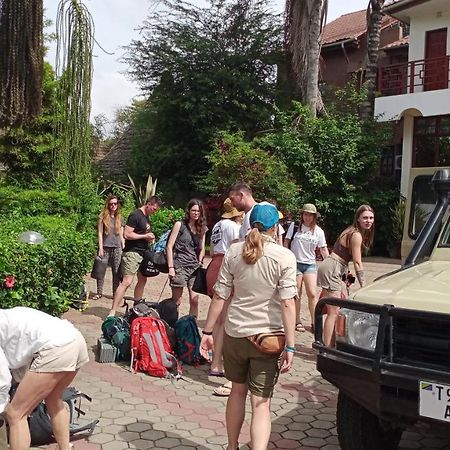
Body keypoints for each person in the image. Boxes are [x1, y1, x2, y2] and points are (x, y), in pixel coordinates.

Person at [200, 204, 297, 450]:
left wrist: (208, 332)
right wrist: (292, 347)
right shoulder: (284, 256)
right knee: (261, 404)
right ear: (276, 227)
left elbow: (220, 296)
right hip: (267, 339)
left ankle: (232, 446)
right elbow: (287, 303)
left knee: (236, 393)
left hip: (235, 334)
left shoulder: (234, 252)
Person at [0, 307, 89, 450]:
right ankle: (65, 448)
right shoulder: (8, 317)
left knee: (15, 414)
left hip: (57, 348)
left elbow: (3, 379)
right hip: (75, 339)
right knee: (54, 399)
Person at [317, 204, 375, 346]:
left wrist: (348, 278)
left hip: (336, 268)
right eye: (365, 218)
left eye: (371, 218)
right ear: (358, 219)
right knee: (333, 311)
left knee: (337, 308)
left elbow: (346, 261)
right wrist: (364, 286)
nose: (368, 221)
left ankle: (331, 345)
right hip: (332, 268)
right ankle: (328, 348)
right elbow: (357, 262)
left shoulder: (352, 231)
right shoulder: (356, 235)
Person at [206, 198, 243, 377]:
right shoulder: (234, 227)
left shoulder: (217, 225)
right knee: (223, 321)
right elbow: (235, 249)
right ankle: (216, 363)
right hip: (225, 267)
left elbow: (212, 250)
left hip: (213, 264)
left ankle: (213, 358)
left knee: (217, 317)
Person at [108, 196, 162, 316]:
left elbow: (141, 233)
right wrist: (144, 236)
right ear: (148, 204)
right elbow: (127, 234)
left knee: (143, 279)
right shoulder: (135, 215)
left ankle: (137, 304)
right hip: (132, 252)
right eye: (153, 209)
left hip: (143, 252)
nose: (154, 212)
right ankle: (113, 310)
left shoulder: (146, 217)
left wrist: (149, 238)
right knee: (127, 282)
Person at [284, 203, 329, 332]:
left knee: (312, 293)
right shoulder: (295, 227)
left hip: (310, 264)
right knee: (297, 293)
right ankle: (297, 321)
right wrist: (286, 257)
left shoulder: (318, 231)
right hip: (295, 263)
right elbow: (287, 242)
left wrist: (330, 263)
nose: (307, 217)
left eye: (310, 215)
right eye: (305, 214)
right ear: (302, 215)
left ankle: (315, 322)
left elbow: (323, 249)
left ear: (314, 217)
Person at [166, 199, 207, 318]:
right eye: (193, 210)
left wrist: (200, 261)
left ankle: (190, 328)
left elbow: (202, 247)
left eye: (198, 211)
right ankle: (172, 327)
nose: (196, 213)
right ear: (188, 211)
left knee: (195, 300)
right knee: (176, 301)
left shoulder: (202, 228)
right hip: (180, 266)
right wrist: (171, 267)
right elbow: (169, 246)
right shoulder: (180, 225)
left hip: (194, 267)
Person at [92, 195, 125, 300]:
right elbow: (100, 233)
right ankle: (99, 292)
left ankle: (115, 293)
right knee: (100, 270)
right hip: (105, 246)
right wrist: (100, 248)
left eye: (115, 204)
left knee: (116, 272)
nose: (113, 206)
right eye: (111, 204)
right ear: (108, 205)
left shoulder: (120, 217)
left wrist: (123, 245)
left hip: (117, 247)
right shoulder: (102, 216)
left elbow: (121, 233)